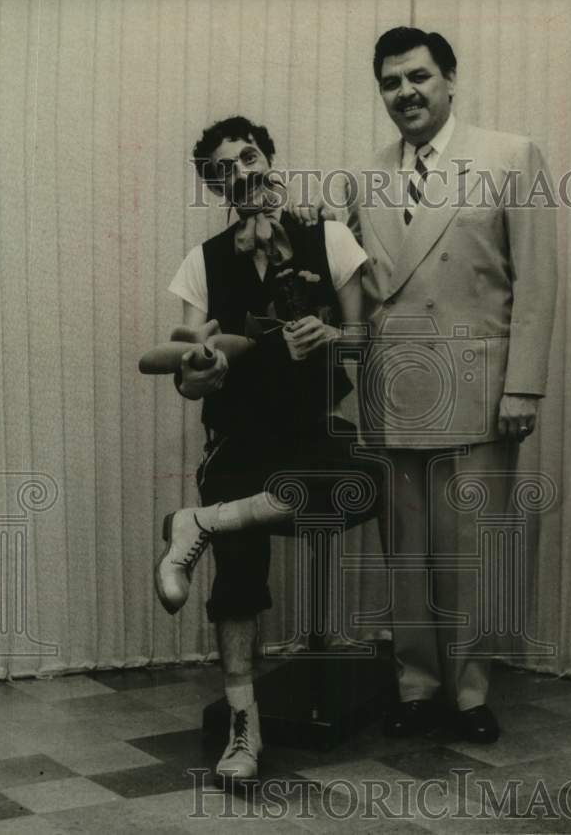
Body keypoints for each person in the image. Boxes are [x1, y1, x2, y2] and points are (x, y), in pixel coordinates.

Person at [346, 27, 558, 743]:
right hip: (395, 389)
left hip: (478, 387)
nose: (405, 93)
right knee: (405, 550)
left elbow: (537, 281)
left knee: (472, 545)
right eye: (390, 82)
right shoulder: (365, 176)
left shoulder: (509, 156)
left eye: (418, 77)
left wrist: (523, 386)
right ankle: (415, 684)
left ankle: (469, 692)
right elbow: (351, 289)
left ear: (449, 80)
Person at [156, 115, 371, 785]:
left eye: (249, 155)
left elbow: (367, 339)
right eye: (224, 168)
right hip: (241, 442)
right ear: (214, 185)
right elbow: (189, 371)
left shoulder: (328, 237)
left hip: (314, 434)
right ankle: (243, 730)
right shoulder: (203, 262)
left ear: (272, 159)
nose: (242, 172)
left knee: (367, 484)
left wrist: (331, 335)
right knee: (239, 567)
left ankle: (200, 524)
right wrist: (203, 372)